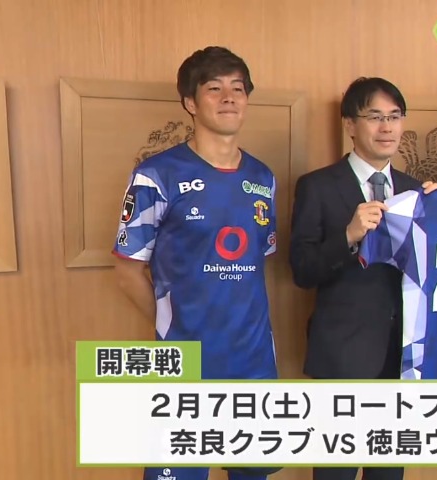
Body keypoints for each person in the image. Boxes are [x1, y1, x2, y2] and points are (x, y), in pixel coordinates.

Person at [112, 46, 282, 480]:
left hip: (253, 362)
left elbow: (258, 263)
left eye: (238, 88)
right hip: (185, 365)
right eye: (214, 88)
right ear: (190, 102)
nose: (229, 98)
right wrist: (176, 327)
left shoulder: (263, 178)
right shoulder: (156, 175)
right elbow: (128, 271)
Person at [288, 76, 437, 480]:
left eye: (394, 116)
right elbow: (302, 270)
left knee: (388, 472)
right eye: (374, 116)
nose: (387, 127)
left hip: (402, 356)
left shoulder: (415, 191)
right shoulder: (318, 186)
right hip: (343, 356)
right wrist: (349, 236)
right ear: (350, 124)